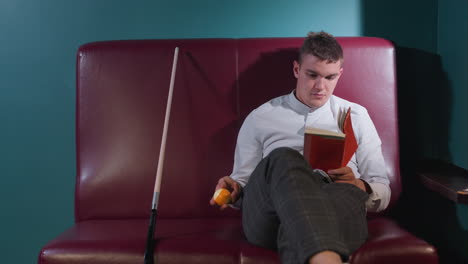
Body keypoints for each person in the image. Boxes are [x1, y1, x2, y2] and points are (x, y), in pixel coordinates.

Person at [210, 31, 390, 264]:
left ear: (340, 75)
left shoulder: (356, 116)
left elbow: (383, 192)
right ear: (297, 70)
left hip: (335, 202)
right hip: (271, 214)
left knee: (341, 194)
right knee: (283, 157)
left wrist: (358, 185)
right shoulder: (261, 117)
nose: (320, 86)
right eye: (312, 74)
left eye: (330, 77)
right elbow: (243, 185)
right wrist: (233, 189)